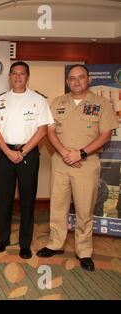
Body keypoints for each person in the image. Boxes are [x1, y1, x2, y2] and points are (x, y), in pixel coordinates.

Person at [37, 64, 118, 271]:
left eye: (81, 77)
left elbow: (105, 135)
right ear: (67, 81)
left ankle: (84, 251)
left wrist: (80, 153)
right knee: (58, 206)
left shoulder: (102, 103)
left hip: (86, 163)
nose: (76, 81)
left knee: (84, 208)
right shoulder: (57, 102)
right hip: (60, 161)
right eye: (72, 78)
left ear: (89, 79)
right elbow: (50, 131)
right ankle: (55, 244)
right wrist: (64, 152)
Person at [0, 61, 53, 259]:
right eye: (14, 73)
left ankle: (25, 243)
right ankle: (3, 239)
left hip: (29, 154)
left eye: (22, 74)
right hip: (5, 153)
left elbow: (42, 130)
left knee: (27, 200)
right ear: (9, 76)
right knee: (5, 200)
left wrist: (22, 151)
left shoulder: (39, 100)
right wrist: (8, 151)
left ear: (27, 77)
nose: (17, 77)